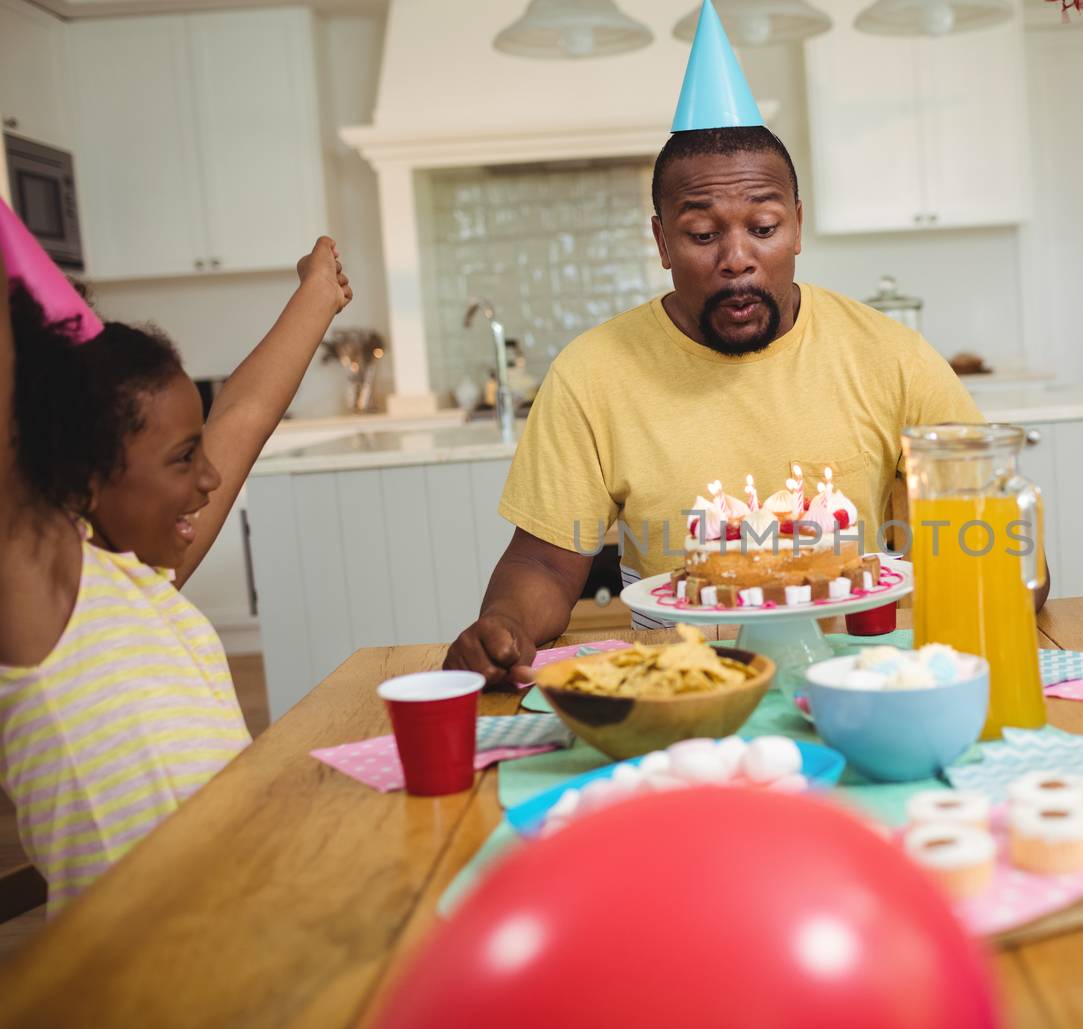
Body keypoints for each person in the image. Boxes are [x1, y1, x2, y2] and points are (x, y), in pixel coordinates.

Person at [446, 5, 1047, 686]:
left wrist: (1007, 572)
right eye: (703, 235)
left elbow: (998, 541)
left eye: (762, 226)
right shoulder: (593, 374)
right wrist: (504, 627)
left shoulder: (890, 357)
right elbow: (544, 566)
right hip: (678, 692)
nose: (737, 258)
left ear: (796, 226)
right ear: (662, 240)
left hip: (857, 681)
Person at [0, 223, 353, 911]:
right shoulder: (41, 592)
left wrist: (317, 294)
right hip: (139, 981)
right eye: (183, 457)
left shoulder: (141, 579)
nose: (211, 475)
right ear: (83, 478)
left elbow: (246, 413)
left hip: (236, 935)